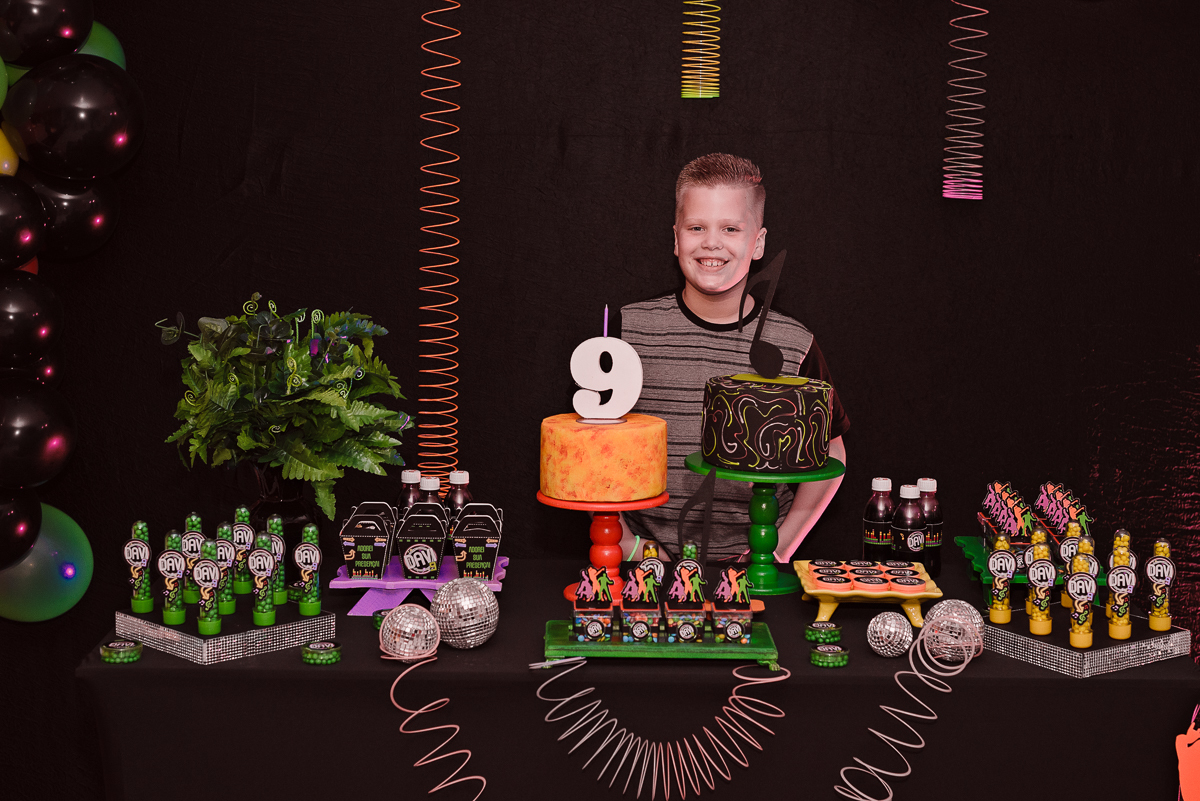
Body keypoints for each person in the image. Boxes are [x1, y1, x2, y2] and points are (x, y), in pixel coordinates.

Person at [617, 153, 849, 562]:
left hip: (756, 568)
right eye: (697, 227)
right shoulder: (627, 333)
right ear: (676, 238)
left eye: (730, 228)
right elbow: (585, 449)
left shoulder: (794, 343)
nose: (712, 242)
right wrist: (629, 545)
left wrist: (778, 548)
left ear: (757, 243)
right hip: (644, 565)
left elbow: (831, 451)